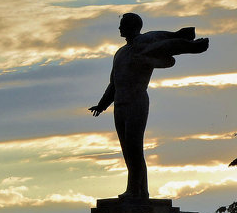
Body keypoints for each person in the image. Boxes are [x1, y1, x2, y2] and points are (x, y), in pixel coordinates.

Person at [89, 12, 209, 200]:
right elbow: (114, 83)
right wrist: (102, 105)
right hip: (119, 105)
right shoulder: (120, 53)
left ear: (132, 27)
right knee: (126, 150)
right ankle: (134, 189)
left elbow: (167, 47)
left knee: (135, 148)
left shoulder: (144, 44)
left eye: (122, 25)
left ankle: (139, 191)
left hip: (136, 101)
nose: (119, 28)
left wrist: (189, 43)